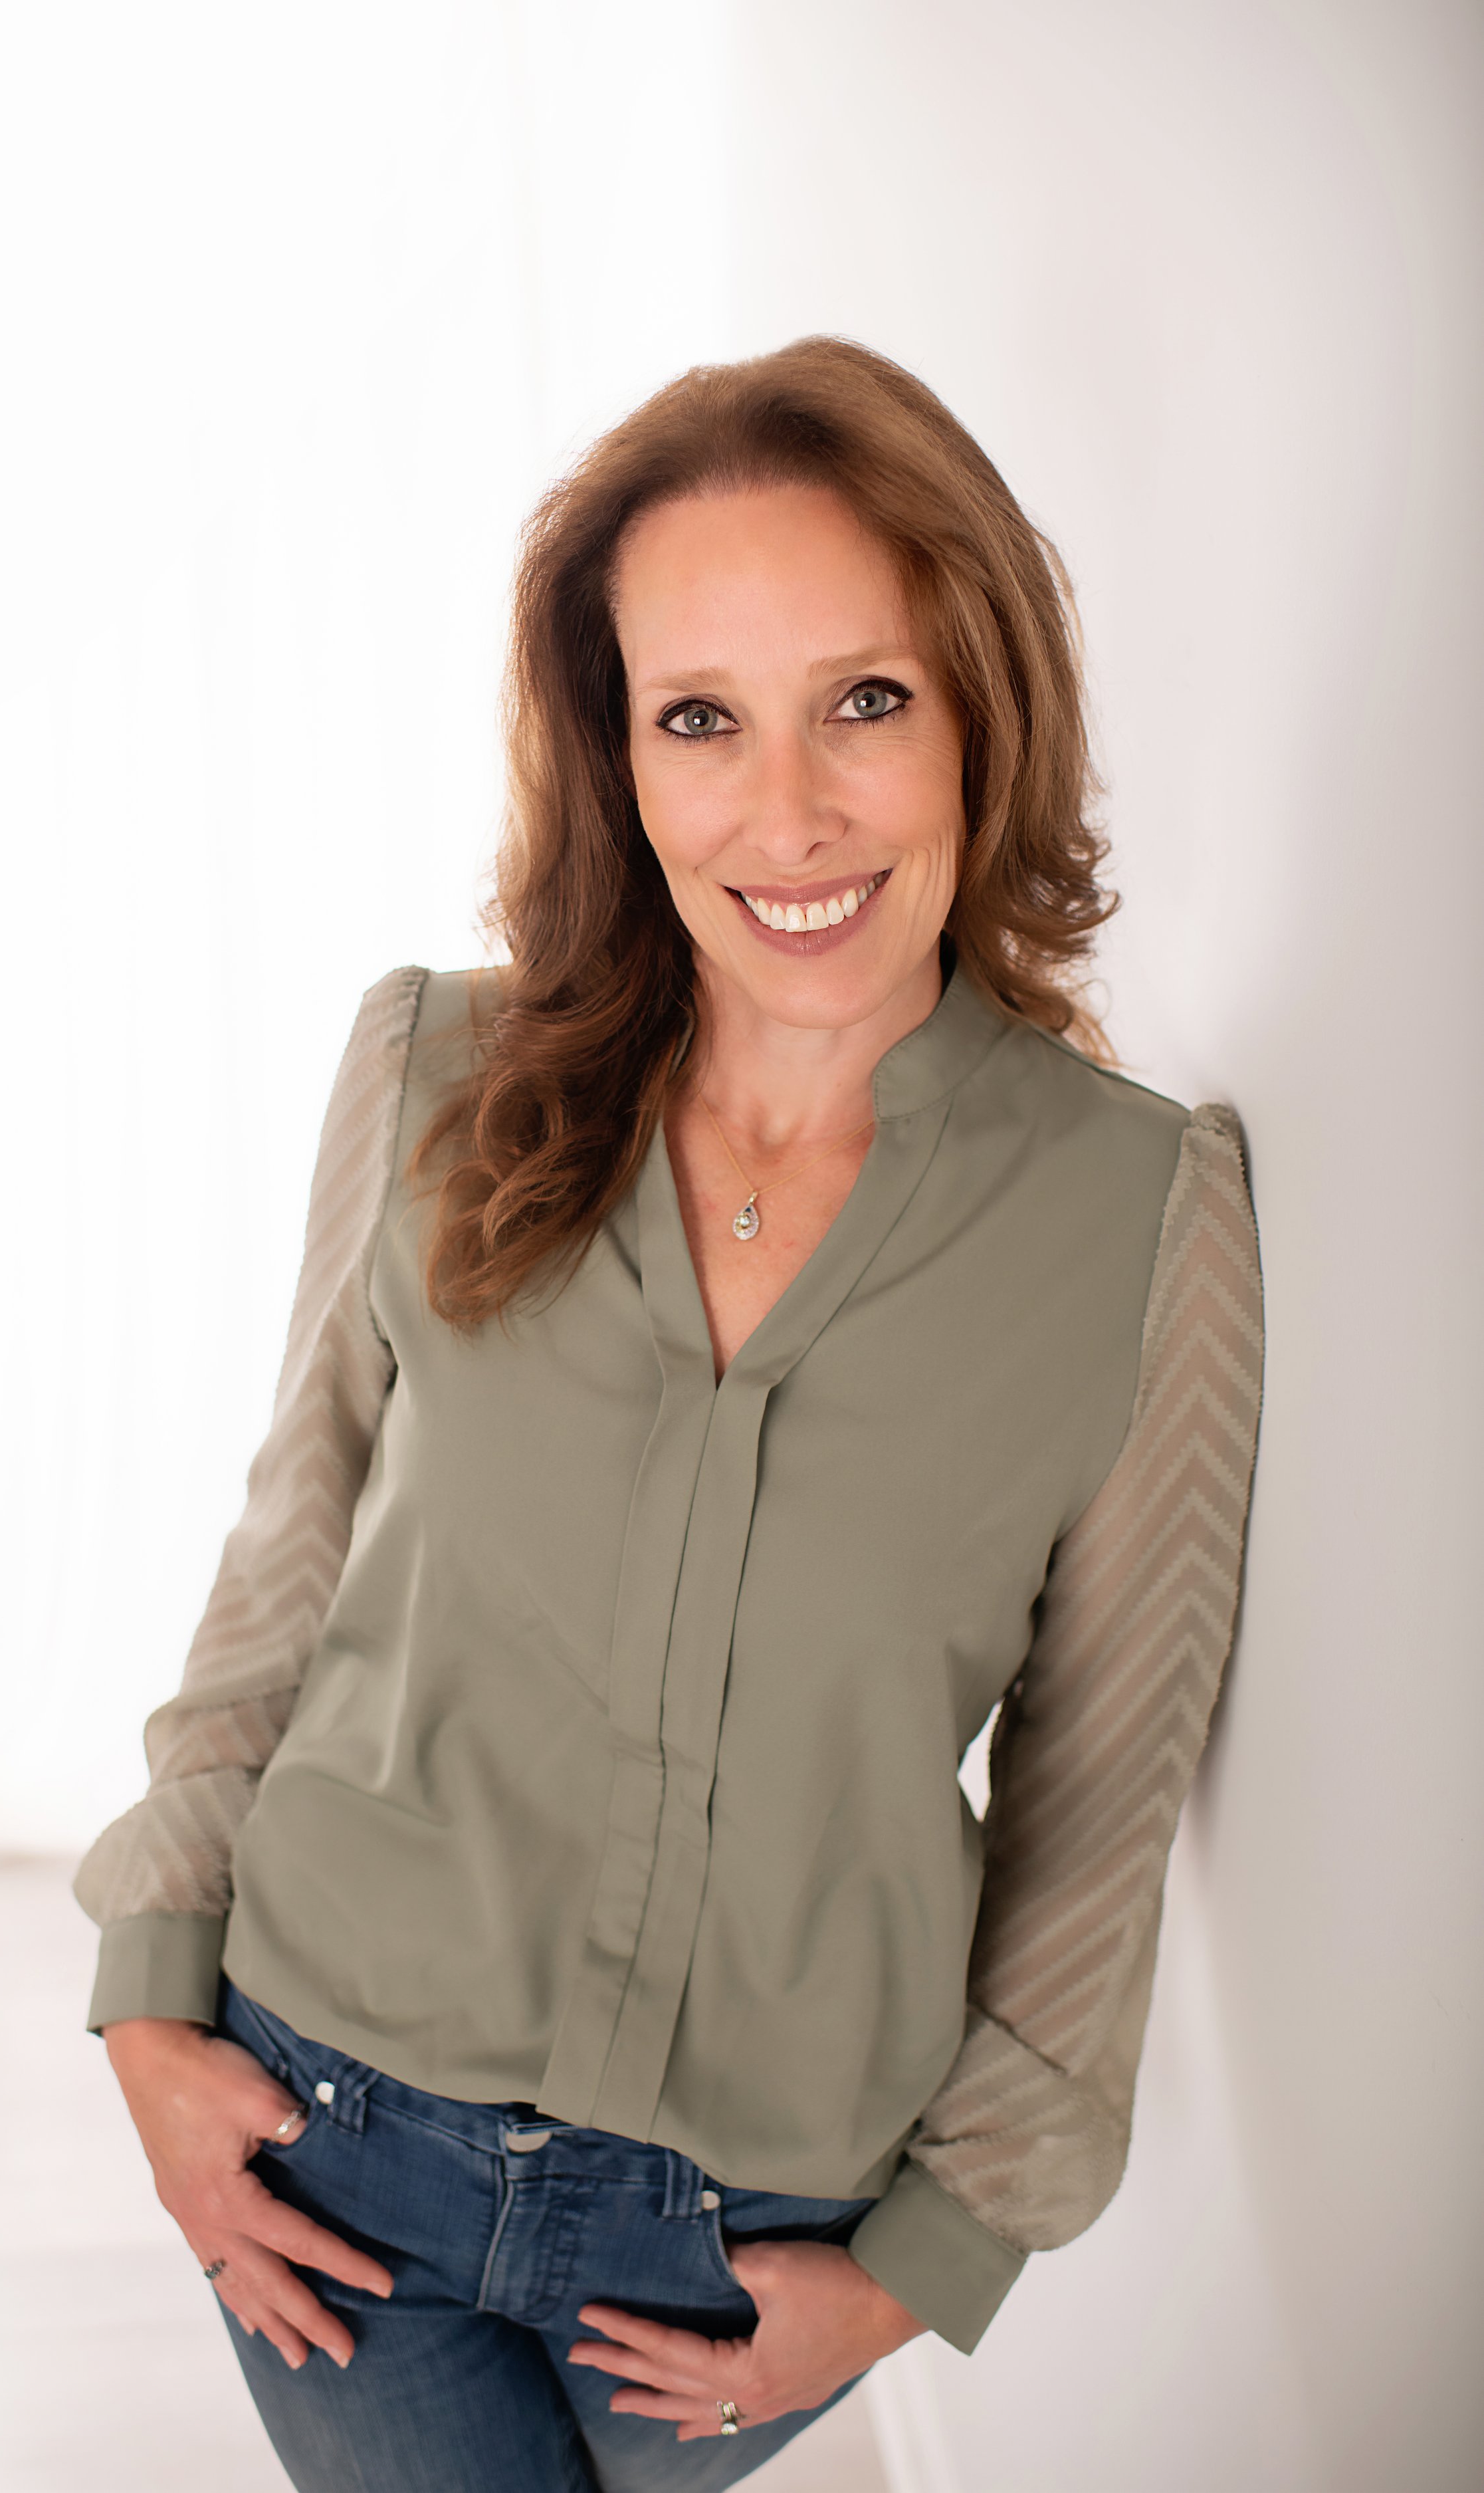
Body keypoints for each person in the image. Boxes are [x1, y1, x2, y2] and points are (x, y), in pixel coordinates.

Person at [76, 336, 1264, 2493]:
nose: (787, 811)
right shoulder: (431, 1070)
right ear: (613, 756)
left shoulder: (1142, 1210)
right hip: (331, 2136)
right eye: (697, 718)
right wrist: (152, 2003)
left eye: (865, 701)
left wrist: (938, 2252)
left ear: (985, 704)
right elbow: (292, 1555)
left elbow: (1106, 1790)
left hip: (753, 2247)